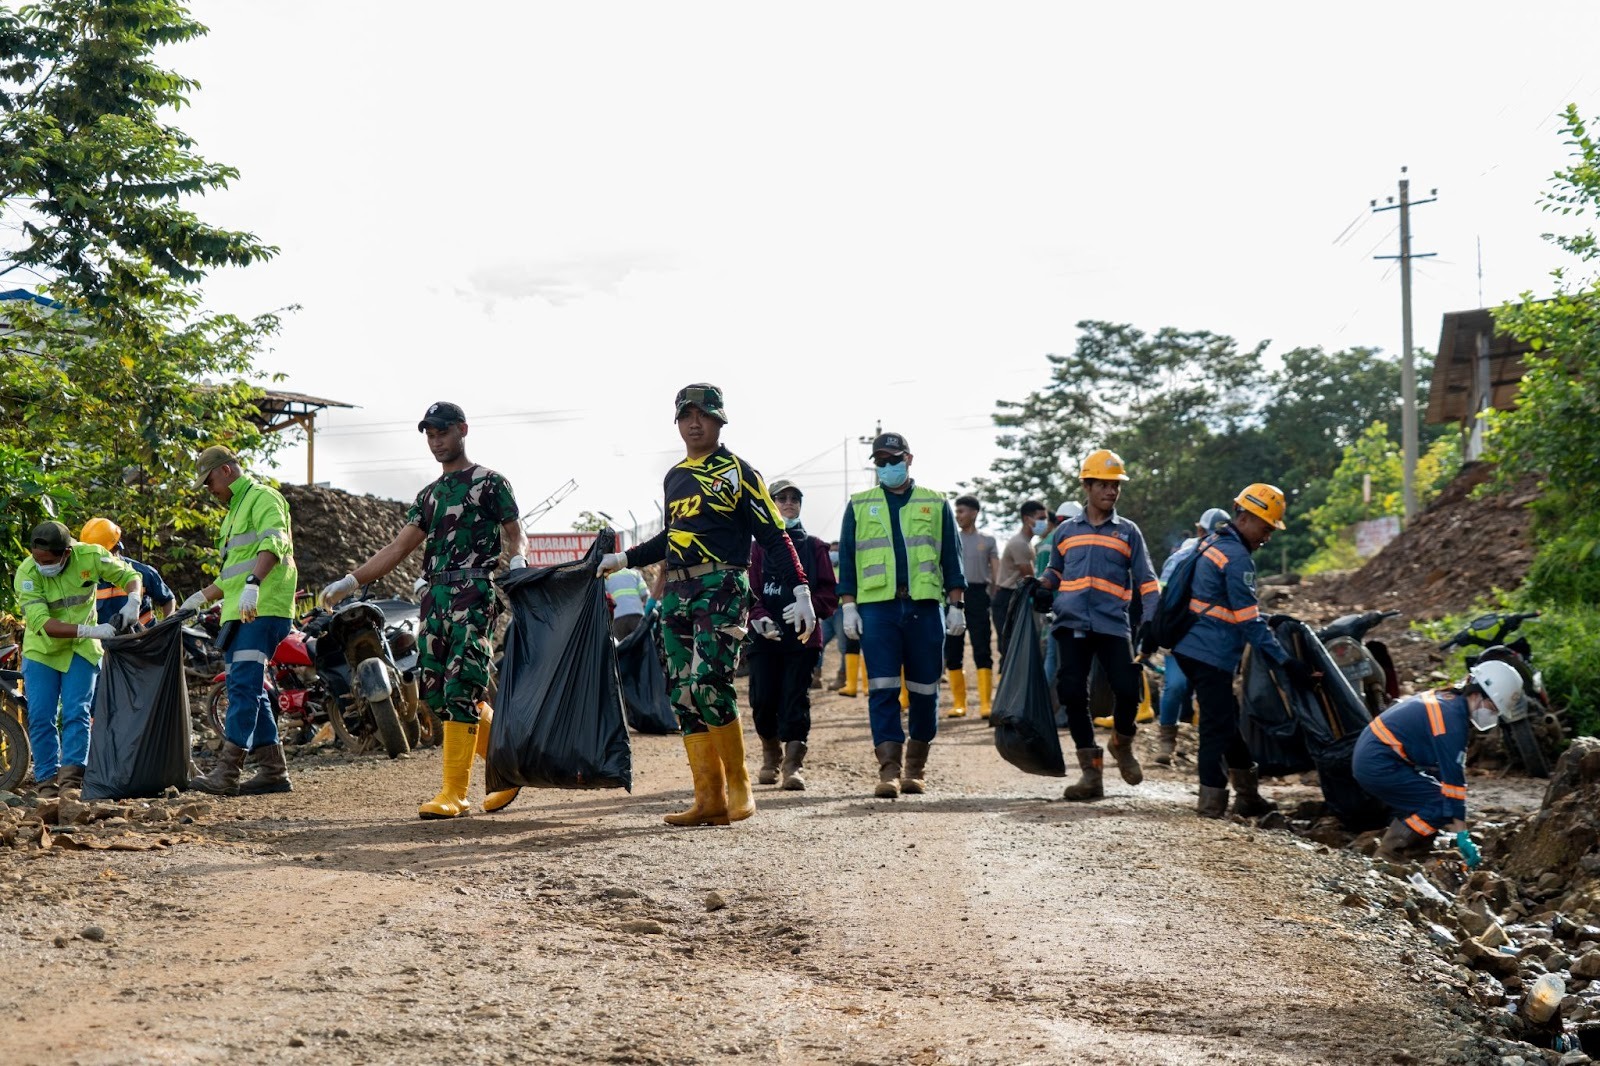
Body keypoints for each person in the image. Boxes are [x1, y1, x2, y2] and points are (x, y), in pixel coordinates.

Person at [597, 383, 813, 827]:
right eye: (686, 416)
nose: (695, 423)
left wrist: (801, 589)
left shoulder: (739, 472)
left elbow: (774, 535)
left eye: (704, 415)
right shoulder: (675, 476)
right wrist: (623, 558)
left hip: (722, 585)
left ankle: (740, 788)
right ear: (677, 422)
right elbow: (671, 536)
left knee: (710, 682)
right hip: (676, 589)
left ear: (719, 420)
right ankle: (708, 797)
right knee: (681, 692)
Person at [319, 402, 528, 819]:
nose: (436, 441)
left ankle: (455, 793)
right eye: (430, 434)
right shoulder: (429, 495)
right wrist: (352, 580)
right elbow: (399, 547)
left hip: (474, 591)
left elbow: (515, 530)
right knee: (434, 691)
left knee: (462, 686)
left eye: (443, 432)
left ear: (462, 430)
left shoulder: (489, 482)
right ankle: (510, 767)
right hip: (434, 598)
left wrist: (518, 558)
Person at [1171, 484, 1320, 818]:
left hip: (1191, 646)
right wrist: (1286, 663)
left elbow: (1222, 603)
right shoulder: (1237, 558)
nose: (1267, 537)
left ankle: (1248, 795)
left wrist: (1266, 616)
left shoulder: (1213, 542)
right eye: (1266, 528)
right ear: (1248, 517)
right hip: (1209, 651)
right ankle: (1210, 803)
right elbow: (1249, 625)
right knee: (1214, 725)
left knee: (1224, 719)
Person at [837, 431, 965, 798]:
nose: (888, 467)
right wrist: (849, 606)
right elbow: (847, 559)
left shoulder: (936, 503)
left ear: (909, 459)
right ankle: (889, 770)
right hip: (878, 610)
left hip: (925, 608)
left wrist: (956, 606)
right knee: (882, 688)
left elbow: (952, 560)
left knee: (925, 690)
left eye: (895, 460)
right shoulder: (859, 505)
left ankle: (915, 768)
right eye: (881, 462)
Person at [1039, 451, 1159, 801]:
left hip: (1111, 623)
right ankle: (1091, 774)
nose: (1111, 491)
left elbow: (1147, 580)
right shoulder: (1065, 531)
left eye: (1116, 485)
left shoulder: (1128, 532)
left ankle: (1122, 742)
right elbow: (1056, 572)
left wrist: (1151, 621)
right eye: (1104, 485)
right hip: (1071, 621)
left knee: (1127, 688)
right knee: (1073, 693)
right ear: (1087, 487)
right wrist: (1043, 586)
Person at [184, 447, 300, 797]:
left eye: (210, 482)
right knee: (250, 689)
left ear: (226, 470)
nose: (209, 490)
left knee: (242, 689)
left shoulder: (262, 497)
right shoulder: (234, 512)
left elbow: (274, 541)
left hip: (263, 606)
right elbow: (232, 575)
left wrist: (254, 584)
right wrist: (200, 598)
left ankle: (227, 773)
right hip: (241, 611)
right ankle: (272, 772)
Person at [13, 521, 139, 797]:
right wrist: (92, 629)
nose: (41, 564)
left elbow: (129, 574)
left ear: (66, 553)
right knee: (41, 716)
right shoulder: (27, 572)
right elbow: (42, 623)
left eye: (47, 560)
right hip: (43, 650)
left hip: (81, 650)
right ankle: (47, 781)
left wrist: (134, 600)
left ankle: (71, 781)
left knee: (76, 712)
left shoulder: (90, 556)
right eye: (37, 558)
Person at [1353, 661, 1522, 864]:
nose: (1492, 716)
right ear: (1477, 694)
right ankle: (1389, 855)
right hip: (1377, 762)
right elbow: (1454, 784)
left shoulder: (1449, 702)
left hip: (1376, 756)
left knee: (1436, 798)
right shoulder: (1452, 721)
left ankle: (1417, 853)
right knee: (1441, 804)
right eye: (1493, 708)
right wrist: (1462, 835)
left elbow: (1443, 774)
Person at [746, 479, 837, 790]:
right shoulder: (756, 548)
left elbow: (828, 593)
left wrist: (811, 608)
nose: (788, 503)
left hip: (802, 639)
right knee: (762, 699)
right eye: (781, 498)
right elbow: (749, 591)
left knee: (794, 700)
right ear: (769, 504)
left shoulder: (814, 547)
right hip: (764, 639)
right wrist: (759, 617)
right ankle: (770, 754)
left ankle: (792, 765)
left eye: (794, 499)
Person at [1152, 506, 1232, 766]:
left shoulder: (1231, 556)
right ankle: (1167, 741)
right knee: (1175, 686)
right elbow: (1163, 593)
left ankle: (1216, 756)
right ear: (1200, 531)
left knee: (1212, 698)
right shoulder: (1182, 557)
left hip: (1214, 640)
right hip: (1183, 634)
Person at [945, 495, 998, 718]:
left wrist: (993, 596)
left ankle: (986, 703)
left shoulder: (988, 540)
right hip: (953, 597)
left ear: (975, 512)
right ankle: (960, 703)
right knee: (953, 648)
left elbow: (996, 572)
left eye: (962, 511)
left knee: (982, 647)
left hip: (978, 595)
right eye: (956, 512)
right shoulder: (950, 539)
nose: (958, 516)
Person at [79, 517, 177, 628]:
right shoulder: (85, 578)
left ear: (116, 548)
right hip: (106, 641)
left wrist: (168, 625)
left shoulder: (141, 571)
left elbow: (168, 599)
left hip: (145, 639)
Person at [1040, 499, 1083, 713]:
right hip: (1066, 611)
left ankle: (1040, 705)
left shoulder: (1048, 540)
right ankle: (1058, 710)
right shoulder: (1065, 541)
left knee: (1052, 660)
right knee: (1064, 664)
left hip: (1051, 610)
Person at [992, 499, 1047, 666]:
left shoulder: (1027, 543)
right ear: (1027, 519)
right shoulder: (1020, 544)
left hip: (1013, 598)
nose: (1043, 522)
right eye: (1040, 518)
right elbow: (1029, 577)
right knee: (1010, 649)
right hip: (1008, 598)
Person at [606, 566, 650, 640]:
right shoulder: (635, 573)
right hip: (637, 615)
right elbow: (645, 594)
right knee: (641, 646)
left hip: (617, 619)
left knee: (622, 648)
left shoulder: (607, 577)